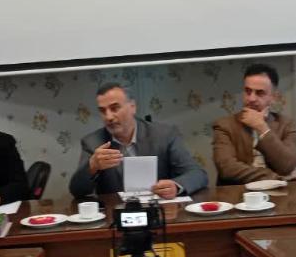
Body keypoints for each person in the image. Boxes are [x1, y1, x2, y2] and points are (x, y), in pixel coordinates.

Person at [69, 83, 208, 199]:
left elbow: (198, 174)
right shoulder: (93, 142)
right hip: (116, 215)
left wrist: (175, 186)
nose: (108, 117)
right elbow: (77, 191)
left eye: (114, 108)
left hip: (161, 211)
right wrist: (92, 167)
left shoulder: (164, 135)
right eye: (102, 111)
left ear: (132, 107)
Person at [212, 63, 296, 185]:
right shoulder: (224, 125)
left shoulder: (286, 124)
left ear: (273, 97)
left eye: (260, 93)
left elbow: (287, 166)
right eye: (247, 91)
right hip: (237, 192)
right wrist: (274, 178)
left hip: (278, 193)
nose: (251, 98)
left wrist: (262, 127)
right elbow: (227, 168)